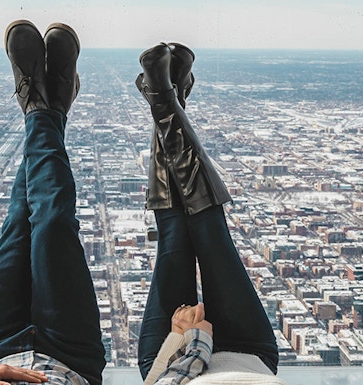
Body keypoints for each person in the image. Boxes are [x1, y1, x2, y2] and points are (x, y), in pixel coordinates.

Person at [0, 20, 105, 385]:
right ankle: (43, 109)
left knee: (18, 223)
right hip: (71, 358)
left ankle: (46, 108)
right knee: (52, 223)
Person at [135, 42, 285, 385]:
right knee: (210, 230)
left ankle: (165, 97)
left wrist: (186, 339)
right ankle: (165, 98)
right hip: (248, 356)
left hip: (167, 353)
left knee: (175, 233)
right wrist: (195, 338)